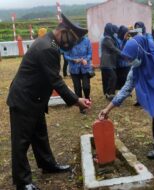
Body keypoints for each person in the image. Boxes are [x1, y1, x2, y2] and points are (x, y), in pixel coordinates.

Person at [6, 13, 91, 190]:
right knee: (21, 141)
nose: (72, 44)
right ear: (63, 31)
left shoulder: (49, 42)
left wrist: (74, 98)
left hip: (34, 98)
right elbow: (56, 81)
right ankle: (23, 182)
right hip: (24, 99)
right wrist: (76, 101)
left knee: (39, 134)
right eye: (72, 39)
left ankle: (47, 164)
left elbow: (54, 78)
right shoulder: (47, 47)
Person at [64, 34, 93, 114]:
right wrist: (73, 60)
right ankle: (81, 107)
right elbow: (66, 55)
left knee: (86, 86)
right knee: (77, 88)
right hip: (74, 69)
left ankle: (87, 98)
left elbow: (90, 53)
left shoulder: (86, 40)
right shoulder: (69, 42)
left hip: (85, 67)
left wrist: (86, 59)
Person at [100, 23, 121, 100]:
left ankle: (108, 93)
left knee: (109, 78)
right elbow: (114, 49)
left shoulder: (110, 38)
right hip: (106, 62)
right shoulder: (107, 39)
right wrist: (124, 54)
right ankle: (110, 94)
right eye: (112, 29)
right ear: (109, 30)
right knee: (113, 77)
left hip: (109, 62)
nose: (114, 31)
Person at [116, 25, 131, 90]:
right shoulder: (117, 41)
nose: (126, 35)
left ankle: (126, 90)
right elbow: (120, 51)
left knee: (127, 79)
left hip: (127, 64)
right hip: (120, 64)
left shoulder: (127, 40)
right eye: (125, 33)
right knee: (121, 79)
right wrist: (125, 40)